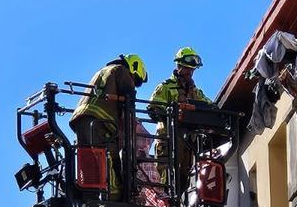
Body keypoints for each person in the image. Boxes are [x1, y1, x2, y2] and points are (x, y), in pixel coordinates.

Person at [69, 54, 148, 199]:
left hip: (81, 119)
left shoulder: (102, 72)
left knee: (89, 159)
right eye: (135, 79)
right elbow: (129, 99)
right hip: (101, 121)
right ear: (134, 67)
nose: (133, 82)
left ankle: (90, 194)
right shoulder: (121, 71)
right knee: (108, 157)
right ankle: (112, 196)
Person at [147, 47, 210, 197]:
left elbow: (210, 106)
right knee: (166, 169)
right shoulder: (166, 87)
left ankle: (178, 200)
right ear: (179, 66)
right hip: (168, 137)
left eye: (192, 70)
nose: (190, 72)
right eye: (187, 68)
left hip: (188, 140)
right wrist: (172, 115)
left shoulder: (196, 92)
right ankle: (163, 199)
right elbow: (153, 108)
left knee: (185, 173)